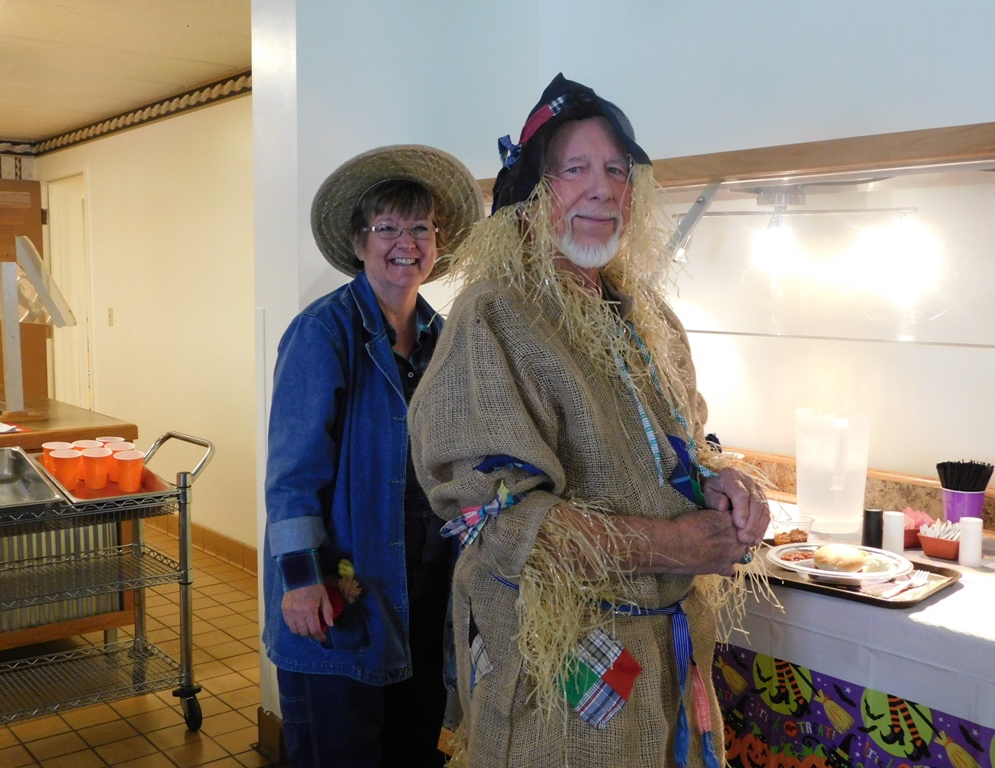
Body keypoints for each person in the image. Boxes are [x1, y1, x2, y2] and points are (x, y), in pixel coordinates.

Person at [408, 74, 771, 768]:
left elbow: (683, 448)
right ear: (531, 198)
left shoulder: (648, 317)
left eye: (616, 170)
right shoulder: (495, 317)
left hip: (671, 665)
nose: (601, 188)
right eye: (574, 170)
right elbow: (500, 522)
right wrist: (675, 546)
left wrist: (724, 485)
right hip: (563, 680)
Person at [263, 144, 484, 767]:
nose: (405, 243)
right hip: (343, 590)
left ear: (437, 244)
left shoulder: (446, 339)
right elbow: (291, 476)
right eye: (388, 227)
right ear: (360, 243)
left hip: (423, 592)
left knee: (411, 748)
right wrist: (300, 582)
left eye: (421, 228)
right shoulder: (323, 333)